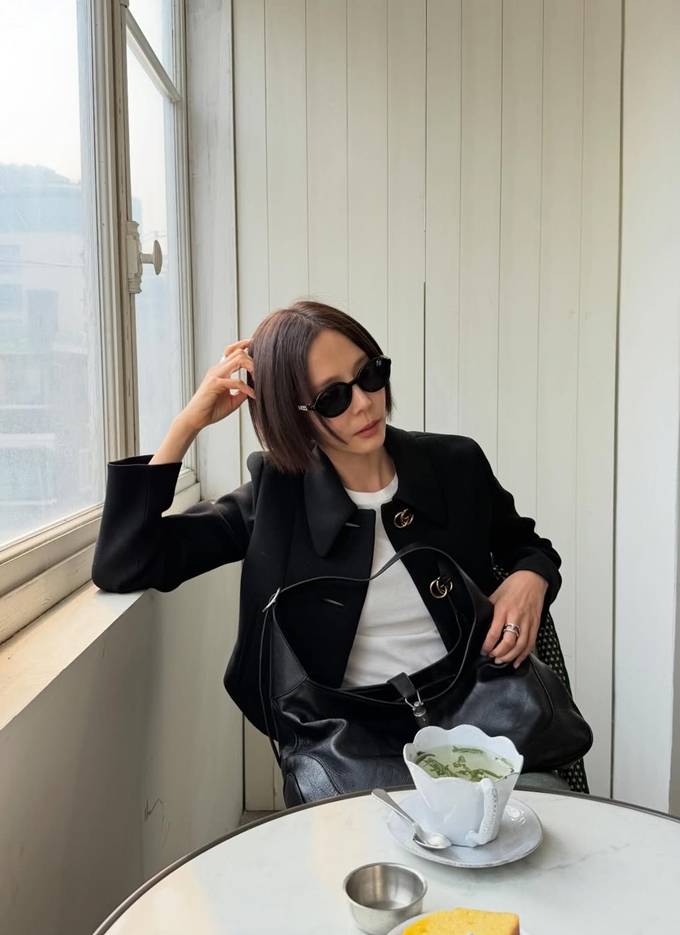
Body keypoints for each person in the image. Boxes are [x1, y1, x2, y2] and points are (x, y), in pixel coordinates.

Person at [92, 300, 587, 794]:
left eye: (370, 374)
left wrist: (530, 578)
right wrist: (187, 425)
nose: (365, 403)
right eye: (332, 398)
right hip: (350, 746)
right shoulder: (275, 498)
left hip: (484, 716)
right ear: (293, 414)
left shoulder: (455, 464)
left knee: (543, 823)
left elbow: (529, 547)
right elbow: (126, 562)